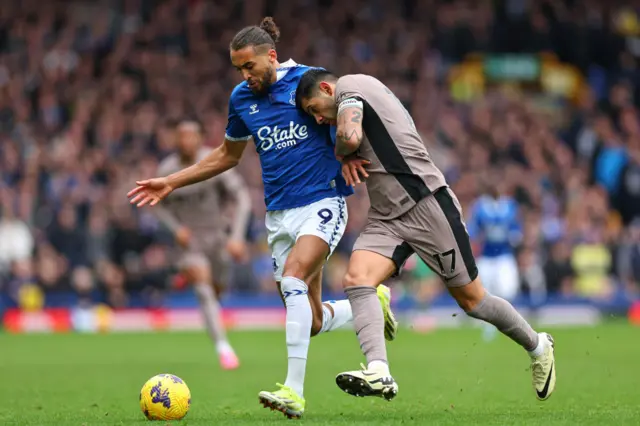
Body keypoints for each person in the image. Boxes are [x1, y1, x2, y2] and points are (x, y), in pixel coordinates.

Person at [127, 18, 397, 419]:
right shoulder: (241, 99)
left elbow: (356, 111)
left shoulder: (310, 82)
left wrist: (354, 150)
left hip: (322, 202)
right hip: (279, 214)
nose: (244, 75)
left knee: (292, 280)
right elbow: (227, 155)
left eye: (249, 66)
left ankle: (293, 391)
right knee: (311, 320)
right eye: (238, 69)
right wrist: (171, 181)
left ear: (271, 56)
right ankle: (371, 302)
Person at [295, 69, 556, 402]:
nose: (317, 119)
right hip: (387, 214)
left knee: (473, 301)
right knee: (356, 279)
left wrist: (341, 153)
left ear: (327, 88)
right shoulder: (356, 91)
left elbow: (349, 134)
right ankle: (378, 370)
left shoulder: (349, 87)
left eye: (314, 108)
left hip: (426, 204)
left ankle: (538, 345)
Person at [153, 119, 251, 370]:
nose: (186, 141)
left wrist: (237, 236)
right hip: (190, 244)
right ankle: (224, 348)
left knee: (217, 290)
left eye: (190, 136)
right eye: (181, 136)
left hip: (217, 238)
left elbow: (242, 197)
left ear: (199, 138)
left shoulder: (213, 161)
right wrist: (176, 230)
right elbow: (158, 206)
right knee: (204, 290)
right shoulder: (168, 168)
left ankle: (197, 287)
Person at [467, 175, 523, 341]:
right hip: (486, 256)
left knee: (507, 290)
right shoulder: (480, 206)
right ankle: (489, 326)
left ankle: (507, 323)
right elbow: (473, 231)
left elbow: (516, 231)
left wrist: (514, 236)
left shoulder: (510, 206)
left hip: (504, 255)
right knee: (484, 293)